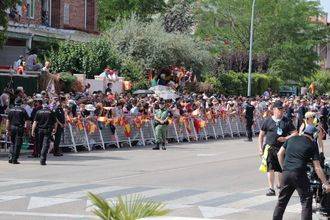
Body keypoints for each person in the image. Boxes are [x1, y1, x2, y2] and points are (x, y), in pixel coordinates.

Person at [273, 124, 330, 220]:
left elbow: (280, 154)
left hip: (286, 173)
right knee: (306, 201)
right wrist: (326, 183)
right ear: (314, 135)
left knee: (281, 202)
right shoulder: (312, 144)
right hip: (299, 174)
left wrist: (284, 168)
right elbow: (317, 167)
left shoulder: (291, 139)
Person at [258, 100, 297, 196]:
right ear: (274, 110)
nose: (281, 111)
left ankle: (280, 186)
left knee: (280, 169)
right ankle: (271, 188)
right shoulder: (268, 120)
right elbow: (261, 135)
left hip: (282, 149)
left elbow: (295, 133)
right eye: (279, 109)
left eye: (282, 109)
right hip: (270, 148)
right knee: (270, 169)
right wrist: (260, 148)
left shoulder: (286, 121)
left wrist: (285, 138)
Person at [31, 100, 57, 165]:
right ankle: (42, 159)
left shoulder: (38, 112)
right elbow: (55, 122)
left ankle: (41, 155)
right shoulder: (51, 112)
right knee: (45, 144)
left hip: (40, 130)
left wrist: (32, 130)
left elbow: (35, 122)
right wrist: (55, 129)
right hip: (47, 130)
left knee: (40, 144)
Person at [6, 98, 29, 164]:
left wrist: (8, 129)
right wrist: (27, 130)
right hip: (20, 128)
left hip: (12, 127)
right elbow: (27, 121)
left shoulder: (11, 110)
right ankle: (14, 159)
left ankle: (10, 157)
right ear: (21, 103)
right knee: (18, 144)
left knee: (12, 143)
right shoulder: (23, 110)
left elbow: (8, 121)